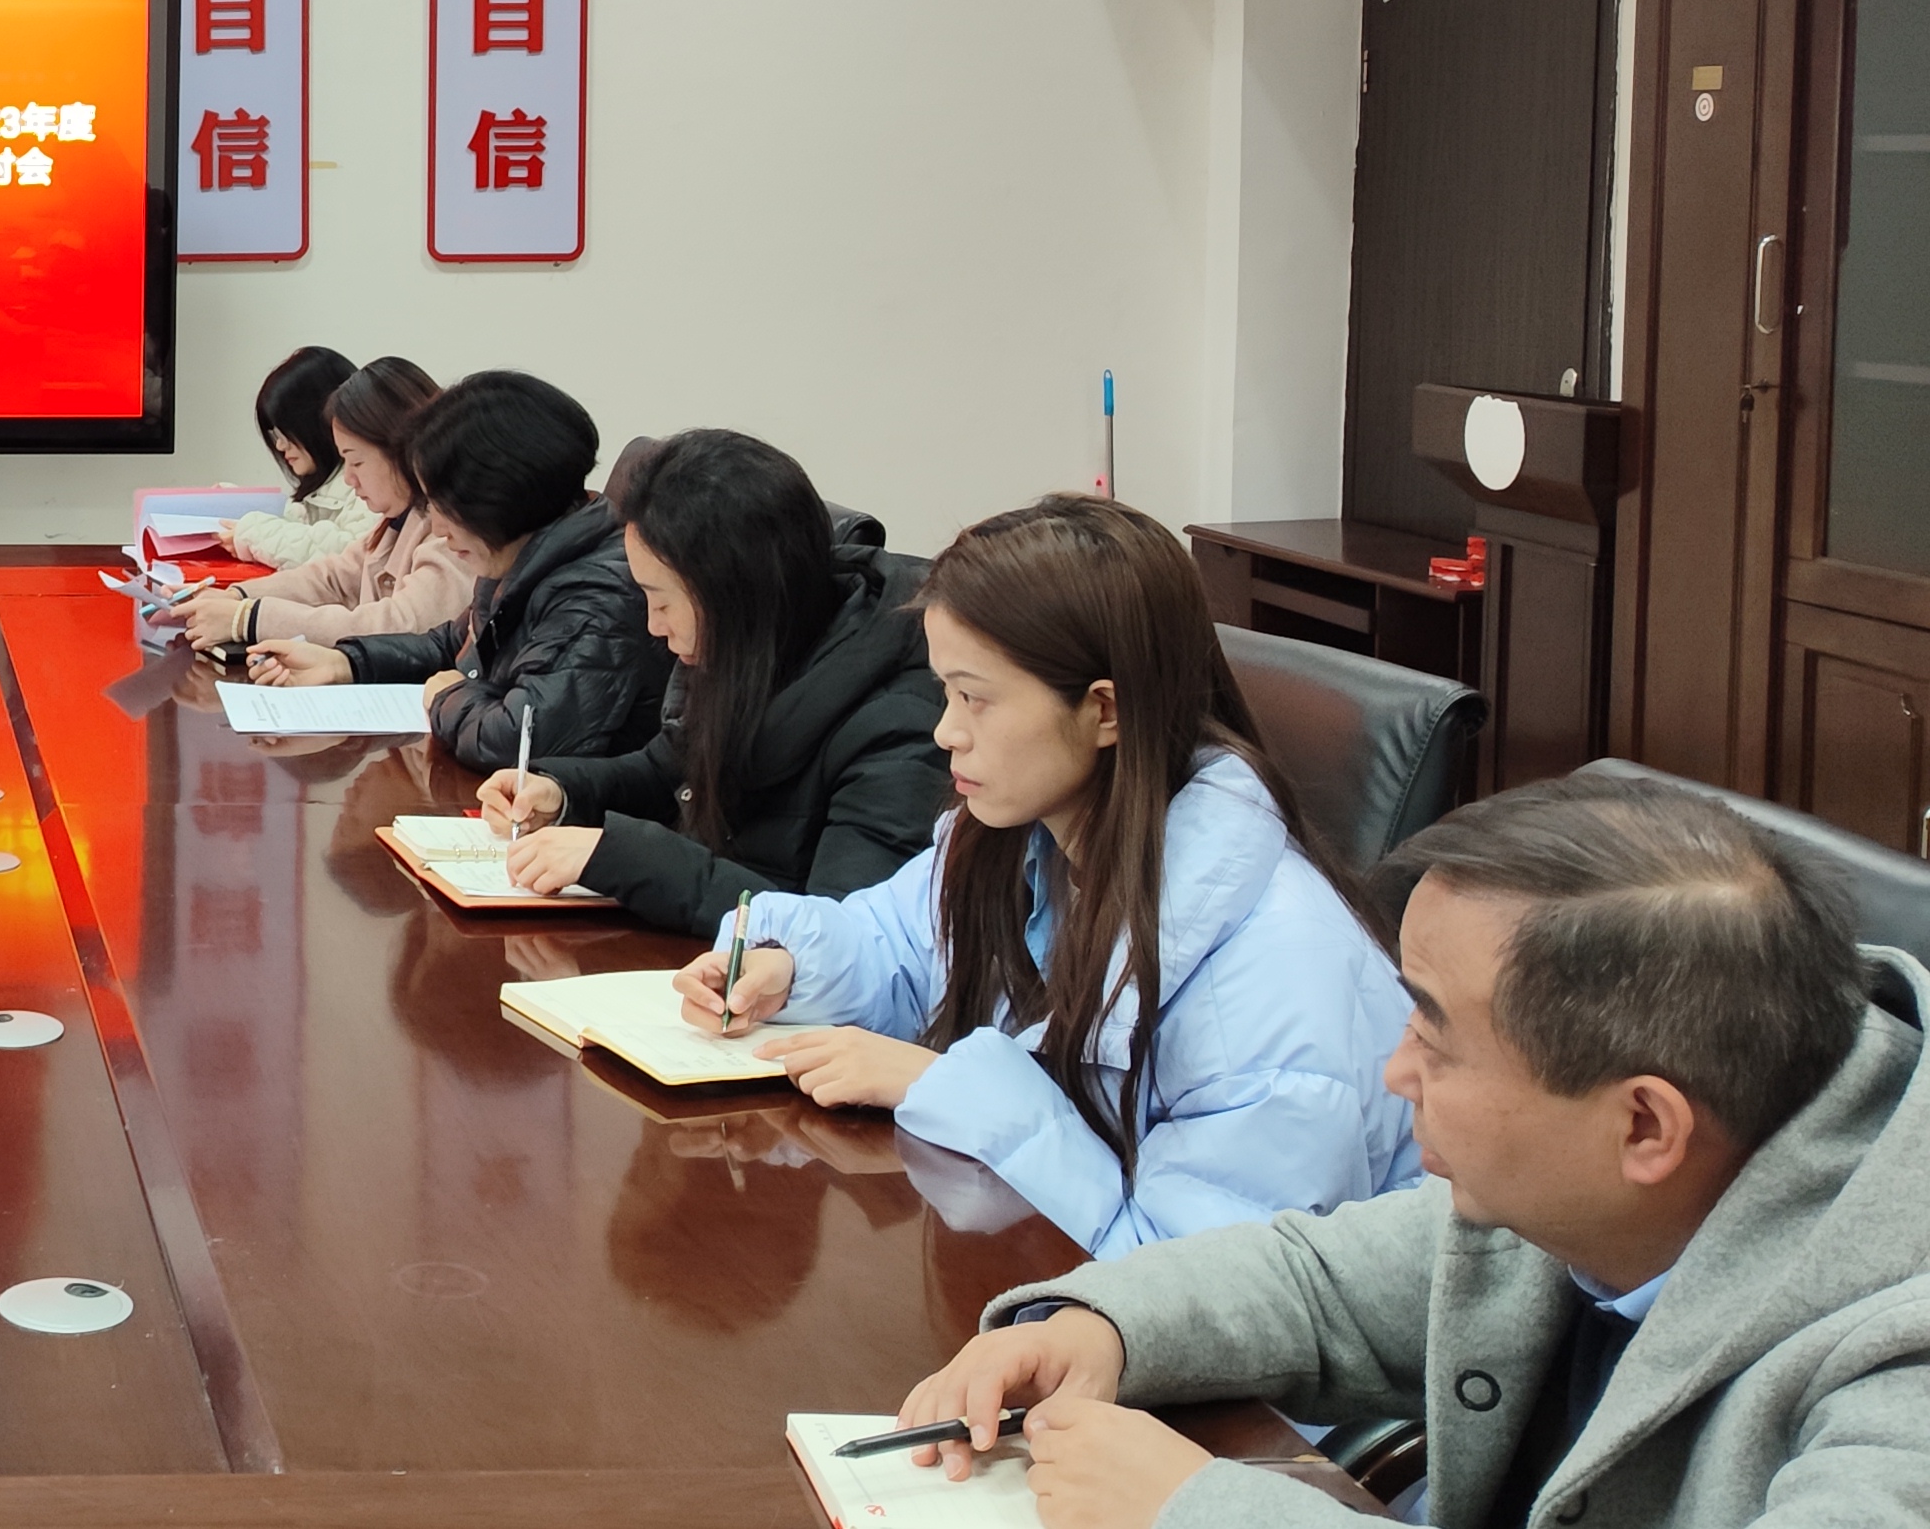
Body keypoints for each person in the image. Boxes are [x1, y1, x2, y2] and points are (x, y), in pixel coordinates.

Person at [894, 769, 1930, 1529]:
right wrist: (1098, 1328)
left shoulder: (1900, 1372)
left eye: (1435, 1037)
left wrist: (1195, 1510)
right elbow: (1318, 1283)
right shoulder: (1592, 1181)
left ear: (1644, 1126)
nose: (1395, 1073)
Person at [664, 494, 1417, 1260]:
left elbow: (1200, 1281)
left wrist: (947, 1087)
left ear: (1104, 711)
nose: (946, 731)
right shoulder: (1025, 833)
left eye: (975, 699)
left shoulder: (1272, 981)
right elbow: (903, 940)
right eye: (946, 692)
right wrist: (788, 969)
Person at [477, 429, 945, 936]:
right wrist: (561, 793)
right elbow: (666, 771)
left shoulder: (898, 724)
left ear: (733, 593)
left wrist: (624, 856)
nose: (654, 626)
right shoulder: (743, 649)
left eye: (662, 601)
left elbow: (839, 936)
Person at [245, 370, 668, 777]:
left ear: (498, 497)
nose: (437, 527)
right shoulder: (520, 553)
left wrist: (446, 697)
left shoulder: (597, 596)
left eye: (442, 506)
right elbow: (452, 643)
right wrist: (346, 662)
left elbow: (519, 742)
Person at [167, 358, 472, 650]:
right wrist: (236, 596)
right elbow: (334, 577)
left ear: (402, 450)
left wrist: (249, 618)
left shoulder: (450, 530)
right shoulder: (398, 519)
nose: (349, 479)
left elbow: (402, 623)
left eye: (356, 462)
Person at [216, 345, 377, 568]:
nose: (280, 445)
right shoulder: (327, 486)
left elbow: (350, 556)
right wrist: (241, 506)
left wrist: (253, 532)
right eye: (275, 434)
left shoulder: (368, 481)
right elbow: (305, 528)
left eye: (286, 431)